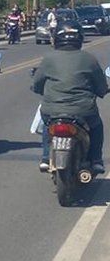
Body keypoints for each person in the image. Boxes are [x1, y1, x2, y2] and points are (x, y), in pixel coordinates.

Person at [32, 23, 108, 174]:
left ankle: (46, 158)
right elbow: (101, 87)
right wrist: (103, 91)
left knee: (47, 123)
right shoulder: (89, 59)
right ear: (79, 39)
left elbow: (37, 84)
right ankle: (96, 160)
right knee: (96, 126)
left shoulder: (48, 59)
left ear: (57, 39)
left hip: (52, 110)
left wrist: (39, 89)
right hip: (84, 111)